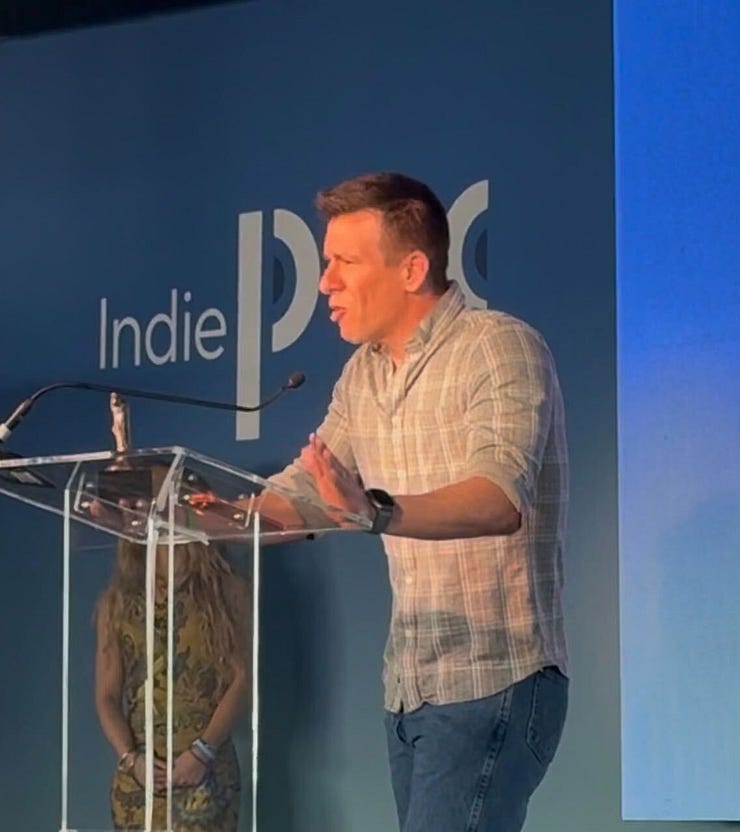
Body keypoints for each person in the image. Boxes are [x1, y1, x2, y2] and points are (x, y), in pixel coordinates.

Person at [267, 171, 570, 832]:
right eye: (325, 263)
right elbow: (305, 492)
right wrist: (201, 513)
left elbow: (498, 499)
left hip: (493, 677)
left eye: (344, 263)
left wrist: (373, 511)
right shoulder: (364, 373)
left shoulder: (497, 346)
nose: (324, 283)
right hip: (410, 689)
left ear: (411, 269)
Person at [93, 539, 250, 832]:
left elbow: (242, 679)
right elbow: (107, 696)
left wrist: (203, 751)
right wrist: (131, 759)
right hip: (140, 780)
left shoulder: (226, 592)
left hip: (205, 775)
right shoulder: (117, 603)